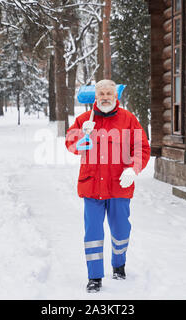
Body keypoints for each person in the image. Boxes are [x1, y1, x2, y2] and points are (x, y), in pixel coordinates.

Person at [65, 79, 151, 293]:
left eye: (108, 94)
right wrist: (80, 141)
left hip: (119, 186)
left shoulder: (128, 120)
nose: (104, 97)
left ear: (116, 97)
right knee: (93, 232)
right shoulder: (85, 120)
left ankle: (118, 263)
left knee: (121, 229)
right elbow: (69, 141)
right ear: (95, 97)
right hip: (92, 186)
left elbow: (142, 147)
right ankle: (94, 277)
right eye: (101, 93)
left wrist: (134, 168)